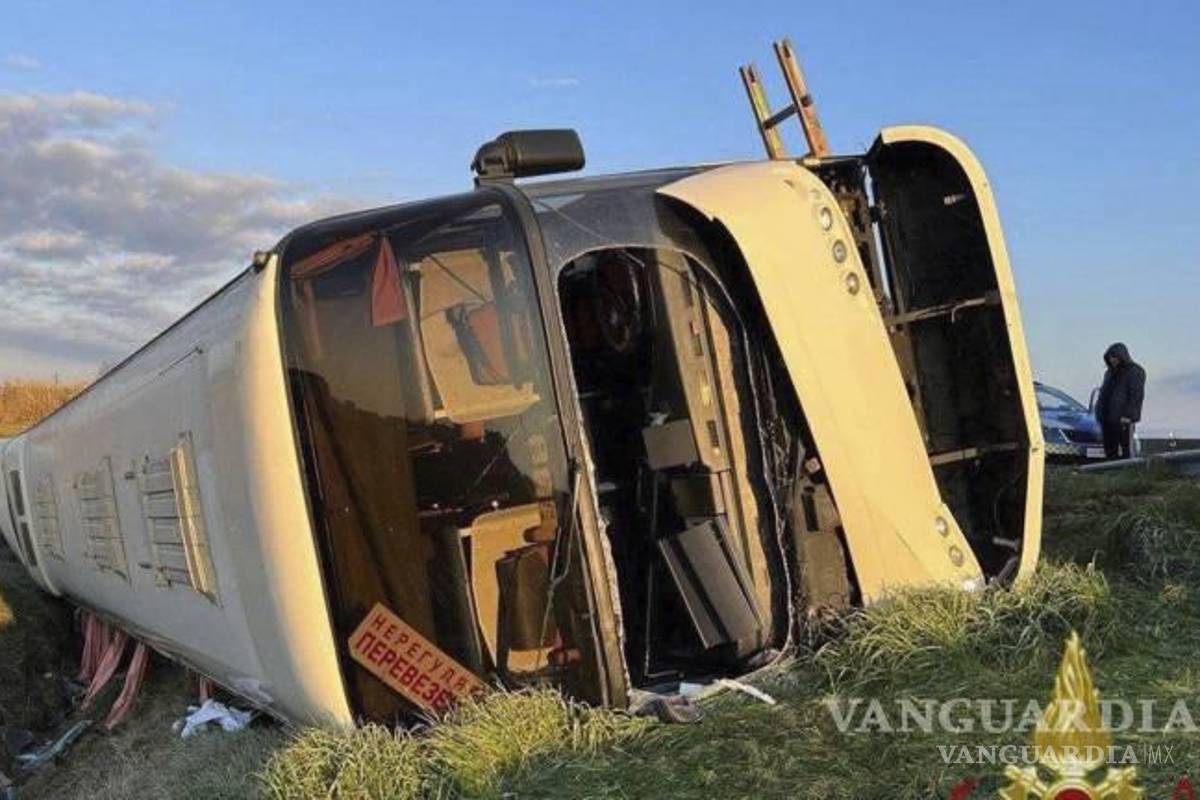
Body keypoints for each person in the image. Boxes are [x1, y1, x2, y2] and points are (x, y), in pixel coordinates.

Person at [1093, 342, 1145, 460]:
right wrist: (1099, 412)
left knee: (1126, 450)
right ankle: (1111, 473)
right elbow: (1104, 393)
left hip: (1123, 419)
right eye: (1110, 357)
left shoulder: (1135, 371)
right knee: (1109, 449)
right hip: (1106, 418)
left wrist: (1128, 415)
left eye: (1115, 357)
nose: (1112, 360)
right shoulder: (1109, 373)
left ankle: (1128, 473)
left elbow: (1136, 395)